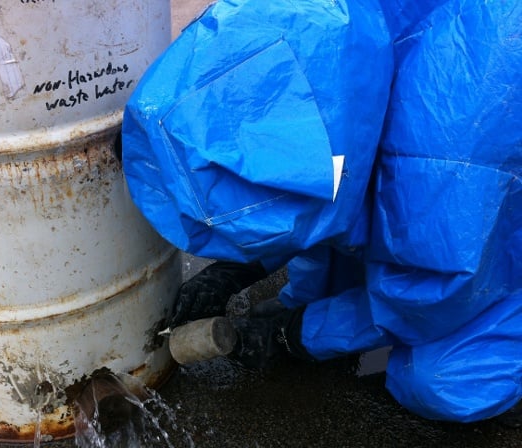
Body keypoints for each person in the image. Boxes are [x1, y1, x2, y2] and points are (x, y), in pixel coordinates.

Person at [121, 0, 522, 424]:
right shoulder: (317, 34)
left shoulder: (442, 184)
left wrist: (292, 335)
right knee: (341, 239)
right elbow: (303, 179)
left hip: (478, 177)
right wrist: (237, 270)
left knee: (444, 381)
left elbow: (424, 299)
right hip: (453, 111)